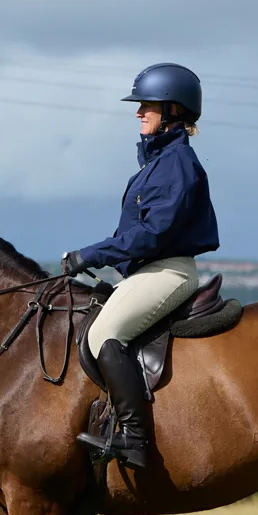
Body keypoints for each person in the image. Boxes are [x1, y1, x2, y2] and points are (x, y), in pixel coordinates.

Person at [62, 62, 219, 469]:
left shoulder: (177, 164)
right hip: (150, 271)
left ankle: (134, 438)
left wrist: (91, 255)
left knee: (105, 334)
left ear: (172, 110)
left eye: (146, 105)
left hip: (168, 271)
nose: (138, 113)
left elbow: (152, 233)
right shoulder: (158, 162)